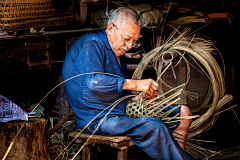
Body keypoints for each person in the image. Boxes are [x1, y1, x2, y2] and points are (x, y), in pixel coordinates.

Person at [62, 7, 195, 160]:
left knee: (183, 113)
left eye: (134, 41)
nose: (130, 45)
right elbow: (94, 82)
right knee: (153, 126)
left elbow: (119, 91)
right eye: (126, 39)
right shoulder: (92, 44)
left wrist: (138, 99)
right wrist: (136, 84)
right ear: (111, 28)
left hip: (120, 111)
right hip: (98, 119)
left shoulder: (119, 54)